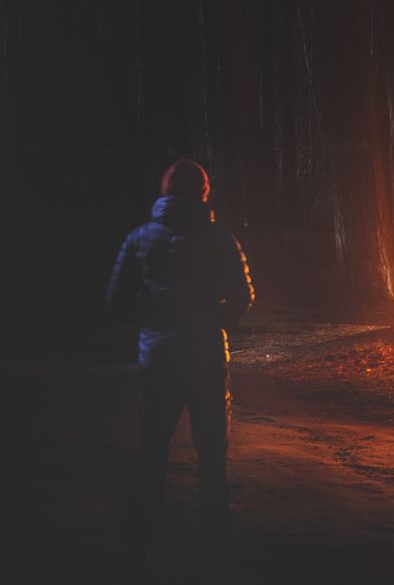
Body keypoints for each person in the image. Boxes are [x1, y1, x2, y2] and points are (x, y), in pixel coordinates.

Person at [108, 158, 254, 563]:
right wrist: (213, 322)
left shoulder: (140, 238)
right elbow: (243, 295)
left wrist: (153, 322)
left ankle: (137, 542)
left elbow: (116, 300)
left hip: (159, 356)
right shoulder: (220, 238)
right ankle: (217, 545)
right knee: (211, 452)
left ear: (165, 192)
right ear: (204, 192)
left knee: (152, 448)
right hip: (206, 354)